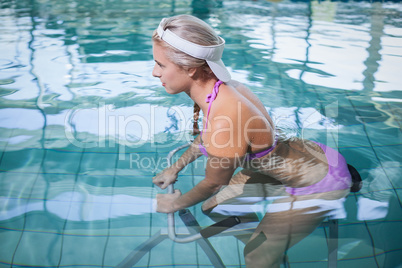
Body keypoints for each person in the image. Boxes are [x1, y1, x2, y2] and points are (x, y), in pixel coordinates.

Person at [151, 14, 353, 267]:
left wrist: (174, 203)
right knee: (214, 208)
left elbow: (213, 184)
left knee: (255, 257)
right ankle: (271, 244)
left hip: (319, 183)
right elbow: (207, 137)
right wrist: (175, 168)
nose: (154, 72)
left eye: (160, 64)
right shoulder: (221, 88)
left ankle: (268, 251)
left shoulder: (226, 117)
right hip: (309, 158)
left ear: (191, 68)